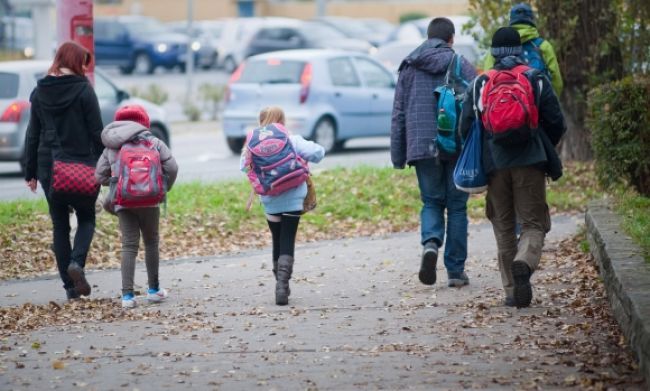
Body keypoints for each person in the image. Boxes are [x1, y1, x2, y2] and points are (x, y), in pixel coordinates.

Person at [460, 27, 566, 308]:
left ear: (493, 53)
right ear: (519, 50)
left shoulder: (481, 83)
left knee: (504, 227)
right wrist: (542, 145)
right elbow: (557, 122)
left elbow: (466, 127)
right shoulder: (535, 78)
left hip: (494, 165)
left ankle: (510, 291)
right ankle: (525, 262)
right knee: (533, 223)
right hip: (530, 161)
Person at [390, 17, 477, 288]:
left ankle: (430, 244)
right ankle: (455, 272)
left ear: (428, 38)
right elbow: (477, 108)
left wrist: (398, 154)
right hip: (457, 145)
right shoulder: (461, 64)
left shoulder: (409, 67)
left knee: (431, 202)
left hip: (421, 145)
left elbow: (399, 114)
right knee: (458, 207)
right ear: (450, 38)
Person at [23, 41, 104, 300]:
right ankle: (76, 264)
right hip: (80, 166)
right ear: (74, 61)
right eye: (82, 62)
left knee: (59, 225)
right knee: (87, 218)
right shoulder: (84, 91)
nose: (83, 67)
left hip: (50, 166)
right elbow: (96, 133)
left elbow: (32, 134)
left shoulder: (40, 91)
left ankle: (70, 288)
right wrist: (105, 167)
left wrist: (30, 172)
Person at [95, 105, 178, 308]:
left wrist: (117, 182)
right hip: (150, 201)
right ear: (144, 122)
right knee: (151, 243)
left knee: (129, 245)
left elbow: (99, 175)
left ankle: (127, 297)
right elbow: (172, 167)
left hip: (124, 201)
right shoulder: (154, 142)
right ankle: (153, 290)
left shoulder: (112, 145)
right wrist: (161, 187)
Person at [241, 106, 324, 306]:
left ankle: (279, 283)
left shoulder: (252, 143)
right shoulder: (290, 138)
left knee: (277, 239)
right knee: (288, 238)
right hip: (294, 195)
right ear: (281, 120)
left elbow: (243, 166)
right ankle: (283, 286)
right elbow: (318, 153)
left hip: (270, 198)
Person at [483, 2, 563, 96]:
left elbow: (487, 77)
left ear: (511, 21)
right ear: (532, 20)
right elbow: (557, 82)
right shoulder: (543, 46)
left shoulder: (499, 45)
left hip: (503, 105)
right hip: (538, 105)